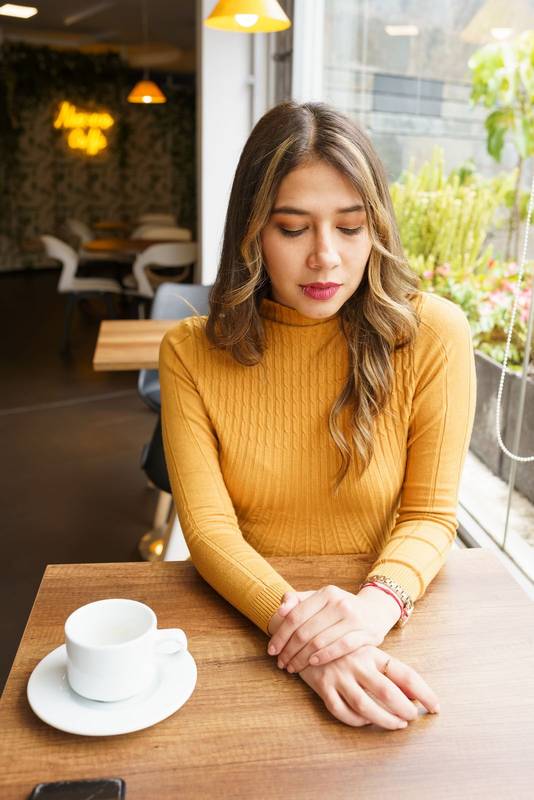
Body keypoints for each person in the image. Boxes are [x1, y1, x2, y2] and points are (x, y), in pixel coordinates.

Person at [159, 101, 476, 731]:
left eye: (351, 227)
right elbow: (211, 533)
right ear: (252, 232)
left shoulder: (434, 333)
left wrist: (365, 617)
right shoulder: (191, 351)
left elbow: (429, 515)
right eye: (294, 228)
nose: (326, 256)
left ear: (376, 230)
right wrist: (309, 642)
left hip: (388, 623)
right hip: (249, 630)